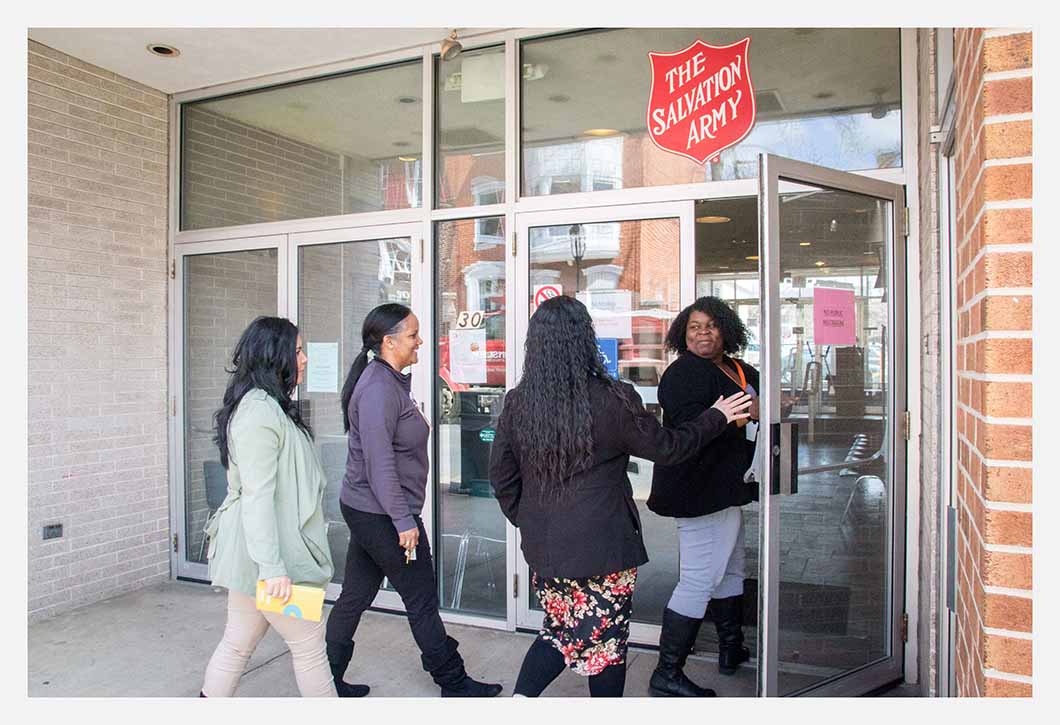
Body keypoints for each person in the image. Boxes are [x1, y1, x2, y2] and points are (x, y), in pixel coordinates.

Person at [488, 295, 752, 697]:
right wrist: (717, 416)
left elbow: (502, 478)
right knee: (606, 643)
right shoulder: (613, 398)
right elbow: (668, 448)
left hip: (546, 546)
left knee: (562, 630)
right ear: (585, 340)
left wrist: (530, 520)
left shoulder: (519, 401)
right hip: (602, 548)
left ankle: (521, 702)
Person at [325, 302, 502, 698]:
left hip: (371, 509)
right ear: (389, 342)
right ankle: (453, 682)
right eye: (413, 335)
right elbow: (379, 465)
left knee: (355, 593)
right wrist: (404, 522)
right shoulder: (376, 389)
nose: (420, 340)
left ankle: (326, 681)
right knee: (421, 598)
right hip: (383, 513)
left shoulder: (386, 382)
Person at [201, 316, 358, 697]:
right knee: (308, 645)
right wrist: (272, 571)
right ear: (275, 356)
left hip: (257, 556)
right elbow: (257, 497)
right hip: (266, 559)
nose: (304, 359)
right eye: (298, 350)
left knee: (238, 642)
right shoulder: (258, 411)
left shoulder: (271, 405)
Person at [646, 296, 761, 697]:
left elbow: (761, 404)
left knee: (731, 568)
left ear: (726, 329)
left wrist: (748, 410)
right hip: (697, 490)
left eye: (711, 325)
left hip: (730, 485)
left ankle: (731, 647)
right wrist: (745, 412)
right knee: (699, 578)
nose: (703, 333)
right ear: (683, 333)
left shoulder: (737, 368)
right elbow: (693, 424)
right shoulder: (681, 374)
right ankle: (667, 672)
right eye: (694, 327)